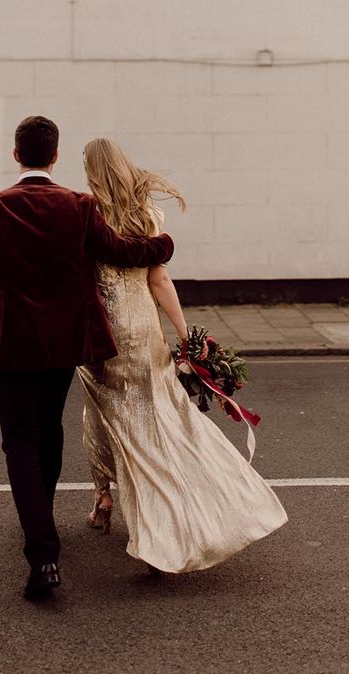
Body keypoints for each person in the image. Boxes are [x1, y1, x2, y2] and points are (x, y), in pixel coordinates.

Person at [0, 117, 175, 600]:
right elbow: (119, 251)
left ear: (16, 155)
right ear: (54, 156)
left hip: (10, 343)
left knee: (19, 441)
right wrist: (163, 244)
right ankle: (42, 515)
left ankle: (42, 552)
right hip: (62, 343)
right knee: (49, 430)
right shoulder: (78, 205)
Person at [77, 138, 287, 574]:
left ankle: (142, 516)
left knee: (110, 420)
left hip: (103, 337)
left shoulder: (87, 216)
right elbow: (159, 281)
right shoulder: (147, 216)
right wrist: (184, 332)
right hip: (144, 331)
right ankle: (115, 496)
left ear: (93, 171)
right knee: (156, 418)